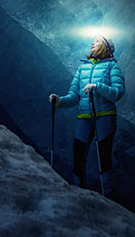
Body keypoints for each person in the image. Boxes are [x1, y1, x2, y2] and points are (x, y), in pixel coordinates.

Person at [49, 36, 125, 195]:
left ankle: (108, 194)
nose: (92, 43)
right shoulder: (82, 68)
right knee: (78, 152)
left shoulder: (112, 66)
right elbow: (74, 96)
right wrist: (59, 101)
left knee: (104, 154)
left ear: (105, 46)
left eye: (97, 41)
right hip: (85, 116)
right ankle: (79, 191)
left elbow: (117, 93)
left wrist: (97, 86)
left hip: (105, 116)